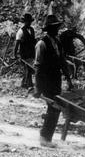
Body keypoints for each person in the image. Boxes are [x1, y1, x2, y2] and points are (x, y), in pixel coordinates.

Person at [33, 14, 74, 148]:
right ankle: (45, 138)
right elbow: (38, 67)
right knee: (53, 108)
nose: (57, 29)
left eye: (57, 27)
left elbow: (62, 62)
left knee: (55, 109)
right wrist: (38, 88)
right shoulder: (41, 44)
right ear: (49, 29)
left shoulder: (57, 43)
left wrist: (69, 80)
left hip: (56, 80)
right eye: (55, 27)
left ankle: (46, 137)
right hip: (46, 80)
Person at [14, 13, 36, 88]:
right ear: (24, 22)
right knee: (27, 68)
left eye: (30, 21)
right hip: (24, 53)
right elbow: (17, 43)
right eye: (27, 21)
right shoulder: (20, 31)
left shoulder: (32, 30)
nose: (29, 23)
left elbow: (33, 41)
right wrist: (15, 54)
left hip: (31, 52)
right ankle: (28, 84)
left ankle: (24, 83)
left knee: (29, 69)